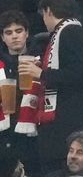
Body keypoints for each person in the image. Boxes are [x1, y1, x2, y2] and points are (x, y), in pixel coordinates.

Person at [17, 0, 83, 174]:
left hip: (67, 123)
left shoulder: (70, 33)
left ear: (48, 11)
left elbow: (82, 73)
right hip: (64, 125)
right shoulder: (69, 32)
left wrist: (42, 73)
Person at [0, 10, 41, 177]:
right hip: (4, 137)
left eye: (18, 31)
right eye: (8, 33)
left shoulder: (40, 59)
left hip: (33, 136)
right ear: (3, 38)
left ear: (27, 33)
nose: (14, 36)